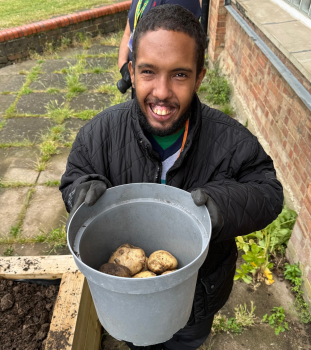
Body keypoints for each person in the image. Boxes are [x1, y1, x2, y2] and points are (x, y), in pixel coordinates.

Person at [60, 5, 284, 350]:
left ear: (200, 76)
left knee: (186, 342)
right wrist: (80, 192)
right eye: (149, 72)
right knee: (140, 342)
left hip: (199, 298)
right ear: (131, 71)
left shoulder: (230, 139)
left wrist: (220, 207)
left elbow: (269, 193)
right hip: (131, 302)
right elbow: (74, 177)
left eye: (179, 75)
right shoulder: (99, 134)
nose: (162, 92)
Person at [117, 0, 201, 95]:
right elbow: (128, 33)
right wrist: (123, 66)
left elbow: (178, 47)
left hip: (160, 84)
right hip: (141, 75)